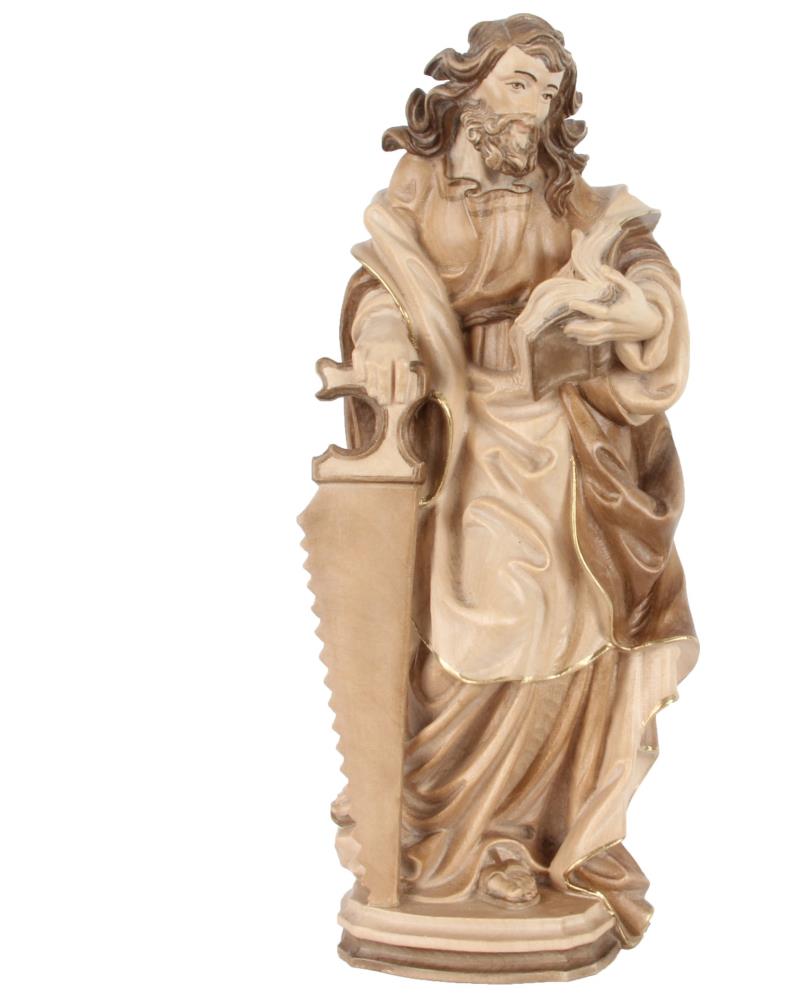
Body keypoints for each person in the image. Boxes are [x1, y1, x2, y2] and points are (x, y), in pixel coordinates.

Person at [332, 14, 698, 949]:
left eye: (548, 89)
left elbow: (640, 262)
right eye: (517, 82)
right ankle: (431, 841)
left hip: (564, 436)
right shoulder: (419, 188)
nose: (534, 105)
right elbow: (382, 282)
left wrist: (637, 307)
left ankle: (515, 843)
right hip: (458, 431)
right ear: (469, 88)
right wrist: (384, 333)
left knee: (566, 625)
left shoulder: (569, 197)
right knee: (462, 631)